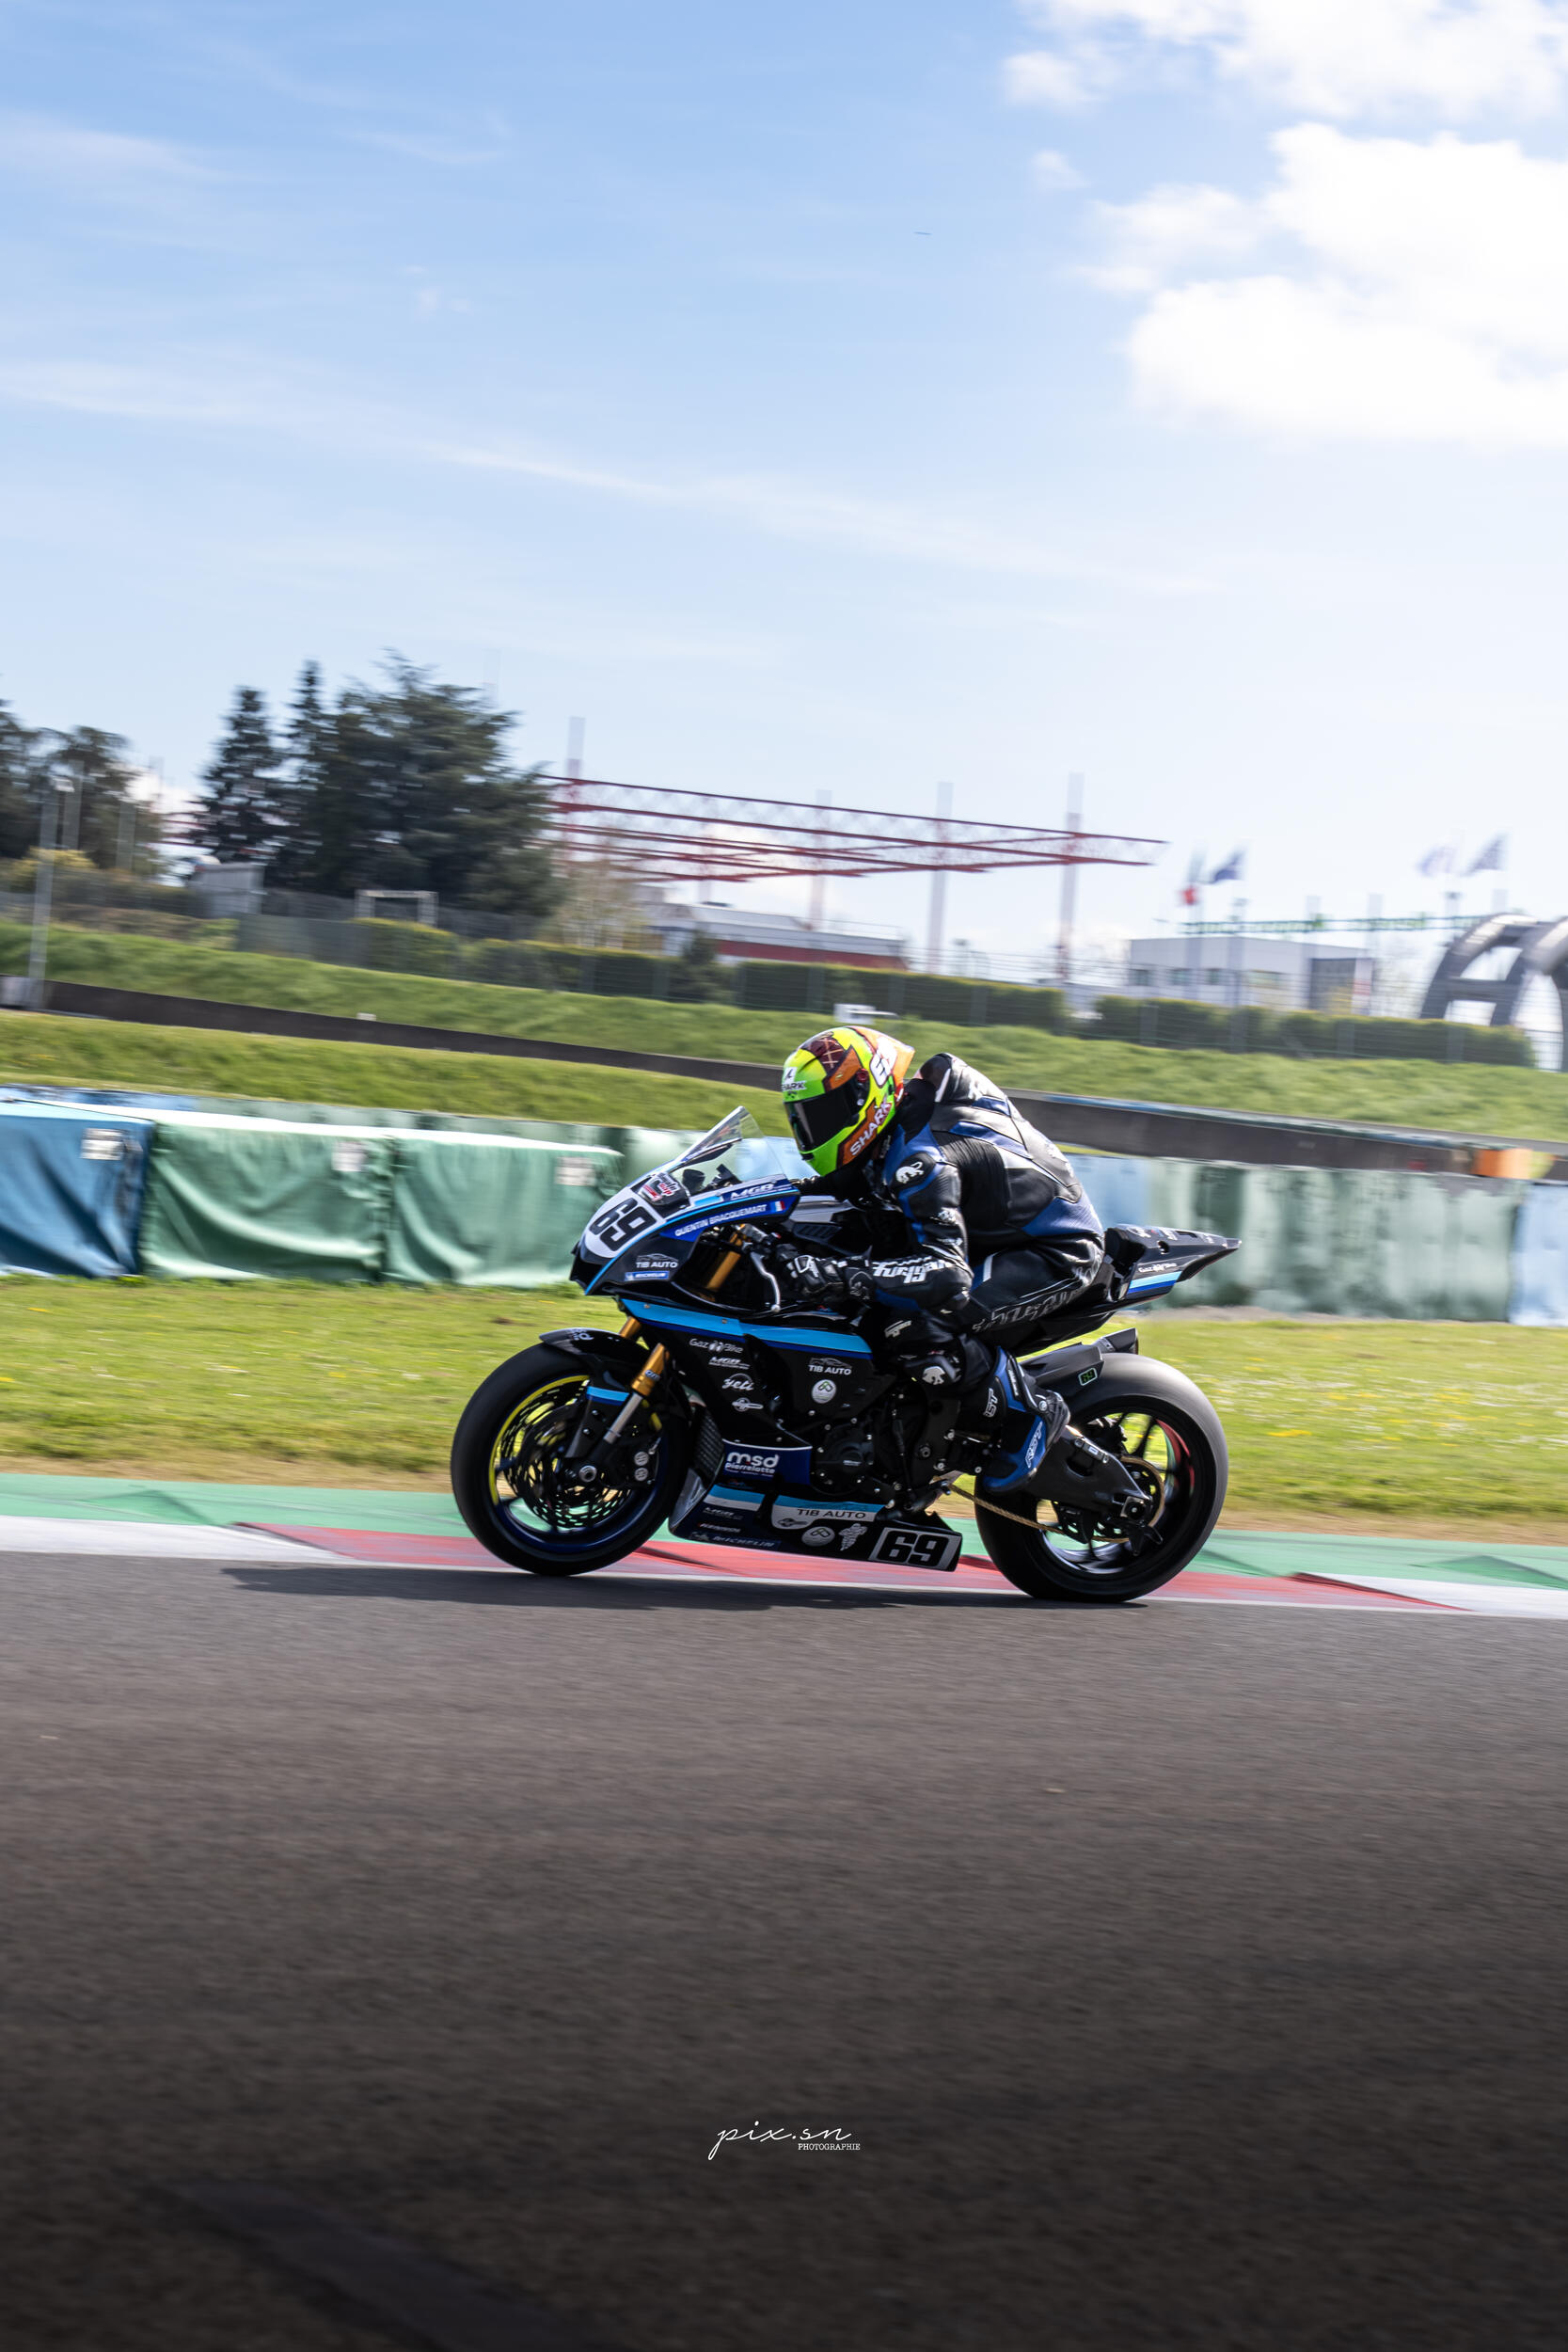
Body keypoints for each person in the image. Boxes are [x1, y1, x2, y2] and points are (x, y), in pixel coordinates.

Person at [773, 1023, 1148, 1518]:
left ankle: (1030, 1416)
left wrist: (844, 1275)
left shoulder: (921, 1158)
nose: (813, 1129)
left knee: (920, 1318)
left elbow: (946, 1276)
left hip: (1054, 1251)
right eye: (804, 1118)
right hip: (992, 1238)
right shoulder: (888, 1135)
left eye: (824, 1113)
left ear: (866, 1098)